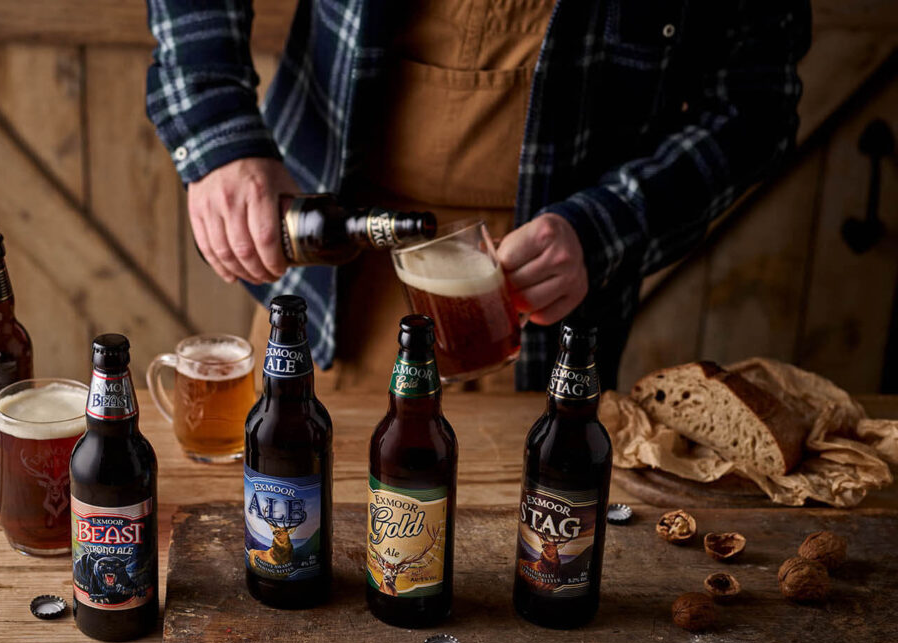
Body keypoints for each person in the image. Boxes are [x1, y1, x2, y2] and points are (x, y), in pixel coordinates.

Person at [145, 0, 811, 391]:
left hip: (550, 317)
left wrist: (604, 230)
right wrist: (217, 137)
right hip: (328, 287)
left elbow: (755, 108)